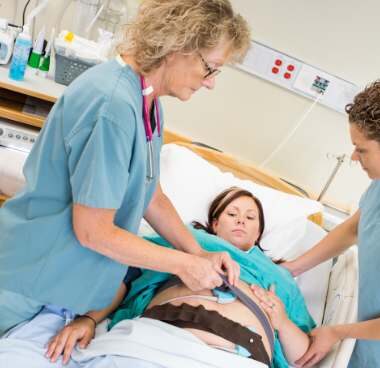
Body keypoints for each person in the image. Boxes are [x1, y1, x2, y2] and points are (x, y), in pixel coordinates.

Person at [0, 0, 250, 336]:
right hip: (25, 276)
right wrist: (184, 265)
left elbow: (150, 195)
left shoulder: (148, 103)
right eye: (211, 67)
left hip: (61, 286)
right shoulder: (112, 105)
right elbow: (93, 230)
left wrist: (201, 253)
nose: (210, 83)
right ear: (178, 46)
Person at [31, 187, 315, 368]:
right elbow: (126, 277)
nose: (241, 220)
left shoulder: (278, 276)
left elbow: (302, 357)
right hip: (152, 340)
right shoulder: (181, 241)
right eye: (232, 213)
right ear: (215, 224)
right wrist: (90, 319)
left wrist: (282, 321)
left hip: (235, 358)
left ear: (258, 234)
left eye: (251, 217)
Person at [281, 80, 380, 368]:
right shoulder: (378, 185)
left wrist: (337, 332)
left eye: (361, 150)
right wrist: (293, 268)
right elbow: (355, 228)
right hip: (362, 343)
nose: (353, 157)